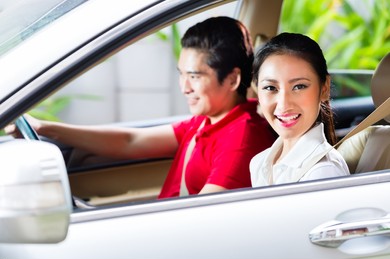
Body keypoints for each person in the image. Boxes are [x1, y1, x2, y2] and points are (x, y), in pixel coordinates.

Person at [8, 17, 276, 198]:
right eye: (181, 74)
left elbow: (202, 218)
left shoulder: (242, 138)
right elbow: (131, 141)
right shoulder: (211, 119)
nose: (184, 87)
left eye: (194, 76)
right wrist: (45, 128)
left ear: (233, 79)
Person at [250, 32, 349, 187]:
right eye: (270, 87)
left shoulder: (323, 172)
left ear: (324, 89)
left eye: (299, 86)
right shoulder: (259, 163)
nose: (283, 104)